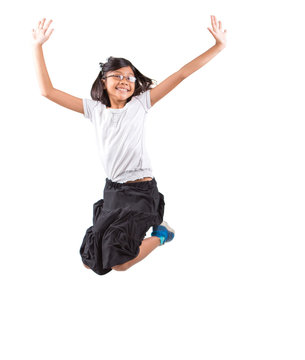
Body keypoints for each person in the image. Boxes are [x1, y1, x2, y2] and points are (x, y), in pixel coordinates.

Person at [32, 16, 227, 275]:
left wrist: (218, 46)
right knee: (90, 260)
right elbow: (47, 91)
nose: (125, 81)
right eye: (117, 76)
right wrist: (37, 46)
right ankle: (145, 235)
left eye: (130, 78)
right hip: (113, 191)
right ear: (103, 80)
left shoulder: (140, 105)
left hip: (141, 192)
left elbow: (181, 74)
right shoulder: (94, 110)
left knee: (120, 263)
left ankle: (162, 234)